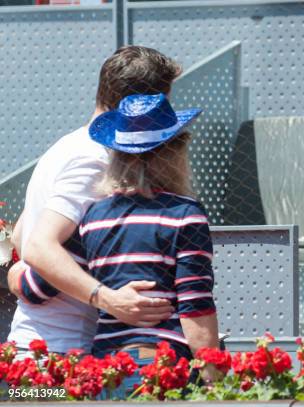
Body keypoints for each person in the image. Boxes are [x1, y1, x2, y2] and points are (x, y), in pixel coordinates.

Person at [7, 46, 181, 356]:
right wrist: (109, 299)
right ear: (139, 105)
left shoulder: (66, 146)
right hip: (62, 354)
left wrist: (21, 279)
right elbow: (38, 246)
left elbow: (23, 232)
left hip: (39, 348)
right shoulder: (95, 160)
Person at [83, 93, 218, 359]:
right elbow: (195, 306)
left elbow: (45, 283)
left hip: (104, 367)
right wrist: (214, 375)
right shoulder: (185, 215)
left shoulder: (93, 217)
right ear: (174, 154)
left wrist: (20, 271)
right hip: (162, 364)